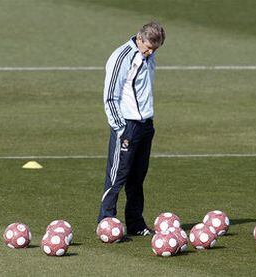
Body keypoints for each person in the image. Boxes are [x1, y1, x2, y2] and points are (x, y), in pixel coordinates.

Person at [97, 22, 166, 236]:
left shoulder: (149, 57)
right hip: (126, 125)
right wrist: (120, 128)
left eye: (155, 49)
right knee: (118, 175)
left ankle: (135, 224)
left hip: (146, 125)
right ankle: (106, 222)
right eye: (148, 47)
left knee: (137, 178)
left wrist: (148, 121)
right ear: (139, 38)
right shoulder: (121, 57)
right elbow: (110, 95)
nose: (150, 52)